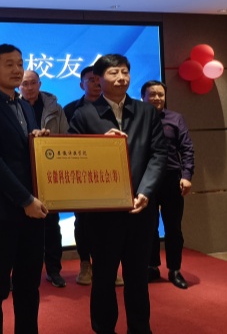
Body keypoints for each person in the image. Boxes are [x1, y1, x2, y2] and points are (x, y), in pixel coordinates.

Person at [68, 54, 167, 334]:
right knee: (103, 278)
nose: (121, 78)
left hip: (140, 209)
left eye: (125, 72)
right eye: (114, 73)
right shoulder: (84, 114)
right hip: (103, 213)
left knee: (137, 278)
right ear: (98, 79)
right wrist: (100, 144)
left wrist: (145, 192)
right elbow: (73, 156)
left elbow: (158, 154)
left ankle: (140, 328)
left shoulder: (146, 112)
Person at [0, 44, 50, 334]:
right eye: (9, 64)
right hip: (1, 213)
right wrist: (25, 199)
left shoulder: (25, 105)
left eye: (20, 63)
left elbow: (19, 151)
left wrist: (36, 140)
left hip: (32, 213)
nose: (17, 70)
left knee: (29, 286)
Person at [141, 80, 195, 290]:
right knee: (149, 226)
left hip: (172, 178)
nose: (157, 98)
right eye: (152, 94)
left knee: (173, 227)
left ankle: (175, 269)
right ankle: (152, 266)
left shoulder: (176, 119)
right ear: (143, 97)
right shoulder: (136, 119)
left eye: (160, 94)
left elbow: (187, 149)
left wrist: (187, 175)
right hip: (145, 179)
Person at [20, 70, 68, 288]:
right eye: (25, 84)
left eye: (33, 83)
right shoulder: (13, 106)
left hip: (49, 172)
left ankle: (54, 270)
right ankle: (23, 271)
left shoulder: (55, 108)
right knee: (22, 227)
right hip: (22, 173)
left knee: (51, 225)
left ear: (40, 84)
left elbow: (66, 137)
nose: (29, 87)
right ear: (19, 86)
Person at [63, 65, 102, 286]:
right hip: (79, 173)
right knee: (83, 221)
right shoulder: (70, 110)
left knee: (107, 223)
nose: (96, 83)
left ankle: (106, 264)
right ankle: (85, 263)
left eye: (99, 79)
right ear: (81, 84)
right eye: (91, 79)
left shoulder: (113, 106)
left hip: (108, 173)